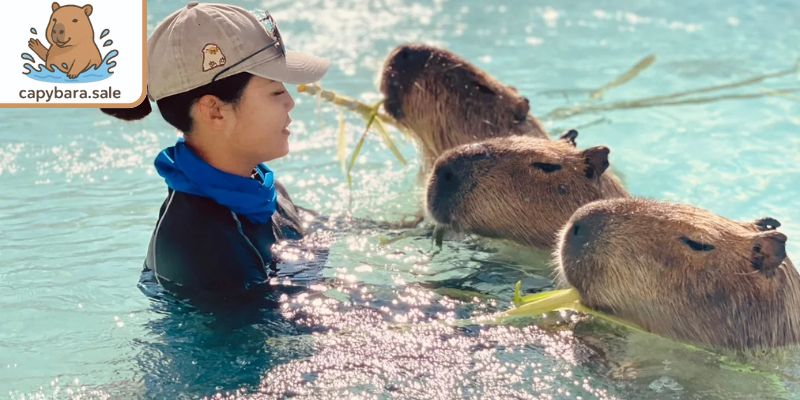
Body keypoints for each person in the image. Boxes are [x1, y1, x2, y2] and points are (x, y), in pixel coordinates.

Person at [101, 2, 330, 305]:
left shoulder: (259, 186)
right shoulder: (202, 243)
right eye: (275, 91)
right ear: (214, 111)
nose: (290, 102)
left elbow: (317, 228)